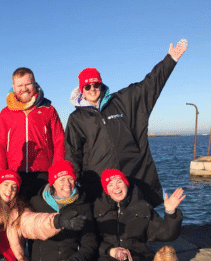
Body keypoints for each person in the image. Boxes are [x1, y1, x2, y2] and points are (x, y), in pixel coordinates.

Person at [64, 39, 189, 207]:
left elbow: (149, 85)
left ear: (101, 85)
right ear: (81, 90)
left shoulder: (122, 101)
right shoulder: (76, 118)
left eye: (96, 85)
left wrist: (170, 59)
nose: (92, 89)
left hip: (133, 175)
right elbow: (72, 154)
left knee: (138, 219)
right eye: (87, 87)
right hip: (98, 183)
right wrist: (73, 186)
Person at [94, 169, 185, 261]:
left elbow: (166, 234)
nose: (116, 187)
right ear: (106, 189)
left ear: (126, 184)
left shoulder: (142, 206)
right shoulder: (96, 207)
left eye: (119, 182)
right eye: (110, 185)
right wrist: (110, 250)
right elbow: (90, 239)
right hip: (105, 255)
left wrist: (170, 212)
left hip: (136, 255)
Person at [0, 67, 65, 200]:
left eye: (28, 84)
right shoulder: (6, 113)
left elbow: (59, 141)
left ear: (34, 84)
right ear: (13, 87)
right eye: (20, 85)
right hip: (14, 176)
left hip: (43, 174)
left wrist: (58, 173)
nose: (24, 88)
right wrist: (1, 177)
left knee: (42, 217)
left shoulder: (48, 109)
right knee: (16, 218)